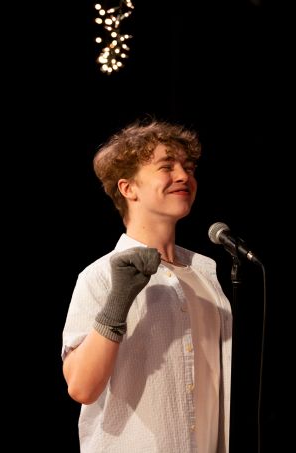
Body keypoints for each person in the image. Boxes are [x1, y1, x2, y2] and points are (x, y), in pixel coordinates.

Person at [61, 118, 233, 452]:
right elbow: (81, 388)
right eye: (166, 166)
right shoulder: (99, 277)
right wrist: (118, 300)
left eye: (188, 167)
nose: (184, 176)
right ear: (128, 188)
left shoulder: (206, 271)